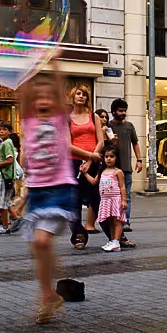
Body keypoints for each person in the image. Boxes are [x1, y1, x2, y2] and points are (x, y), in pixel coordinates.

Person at [18, 74, 77, 324]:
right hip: (37, 192)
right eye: (37, 96)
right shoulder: (29, 122)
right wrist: (23, 68)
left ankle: (49, 293)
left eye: (47, 96)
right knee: (38, 247)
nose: (42, 99)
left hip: (59, 189)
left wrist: (52, 61)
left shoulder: (59, 119)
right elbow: (21, 94)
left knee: (41, 242)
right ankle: (48, 295)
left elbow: (60, 82)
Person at [68, 85, 104, 249]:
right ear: (73, 97)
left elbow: (101, 141)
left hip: (93, 163)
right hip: (74, 163)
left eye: (84, 94)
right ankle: (79, 235)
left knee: (97, 199)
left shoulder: (93, 116)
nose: (81, 97)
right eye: (78, 94)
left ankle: (116, 234)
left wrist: (90, 161)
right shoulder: (67, 119)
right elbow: (68, 146)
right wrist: (89, 156)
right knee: (73, 202)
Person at [81, 145, 127, 253]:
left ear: (117, 158)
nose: (109, 159)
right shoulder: (101, 172)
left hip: (115, 200)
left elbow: (122, 187)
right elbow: (93, 182)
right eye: (106, 156)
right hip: (105, 201)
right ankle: (112, 240)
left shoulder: (118, 172)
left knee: (117, 221)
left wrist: (124, 200)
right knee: (109, 222)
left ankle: (116, 241)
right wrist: (85, 173)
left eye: (112, 156)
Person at [108, 99, 142, 233]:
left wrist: (139, 160)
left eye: (124, 111)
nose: (123, 113)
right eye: (120, 110)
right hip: (111, 169)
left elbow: (135, 143)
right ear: (113, 112)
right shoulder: (108, 126)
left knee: (126, 196)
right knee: (112, 196)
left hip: (126, 168)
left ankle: (126, 221)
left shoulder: (129, 126)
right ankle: (113, 220)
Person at [0, 122, 17, 232]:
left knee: (1, 202)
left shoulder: (6, 143)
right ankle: (8, 224)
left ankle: (4, 226)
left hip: (3, 176)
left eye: (4, 129)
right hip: (7, 176)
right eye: (0, 129)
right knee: (6, 202)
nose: (1, 131)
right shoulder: (7, 143)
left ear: (10, 131)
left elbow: (10, 160)